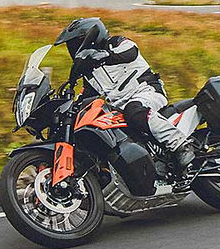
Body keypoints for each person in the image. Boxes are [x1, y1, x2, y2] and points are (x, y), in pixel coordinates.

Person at [54, 17, 196, 176]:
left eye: (75, 43)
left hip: (147, 92)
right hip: (121, 109)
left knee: (134, 110)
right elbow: (87, 96)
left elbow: (131, 52)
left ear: (91, 37)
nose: (73, 48)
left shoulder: (116, 43)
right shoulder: (90, 73)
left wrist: (103, 55)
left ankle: (180, 145)